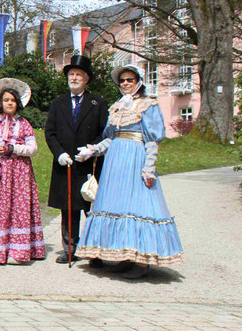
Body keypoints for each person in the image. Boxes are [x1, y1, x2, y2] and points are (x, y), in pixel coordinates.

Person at [74, 64, 184, 279]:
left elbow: (152, 140)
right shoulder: (117, 107)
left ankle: (141, 261)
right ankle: (125, 255)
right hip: (115, 162)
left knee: (137, 205)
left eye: (129, 80)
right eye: (122, 80)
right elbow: (110, 138)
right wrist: (93, 150)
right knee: (118, 206)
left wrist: (149, 168)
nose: (125, 83)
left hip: (135, 159)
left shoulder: (148, 105)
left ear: (138, 82)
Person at [44, 55, 109, 265]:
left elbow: (105, 132)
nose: (74, 78)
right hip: (66, 164)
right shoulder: (58, 102)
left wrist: (92, 150)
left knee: (91, 208)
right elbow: (50, 132)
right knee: (68, 208)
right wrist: (59, 153)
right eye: (71, 74)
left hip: (89, 163)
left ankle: (94, 249)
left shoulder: (97, 102)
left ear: (86, 79)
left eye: (78, 75)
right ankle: (70, 248)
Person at [0, 78, 46, 265]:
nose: (9, 103)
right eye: (6, 99)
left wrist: (15, 149)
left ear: (18, 103)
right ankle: (0, 250)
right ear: (0, 102)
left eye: (13, 100)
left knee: (19, 209)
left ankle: (18, 251)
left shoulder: (24, 124)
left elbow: (33, 148)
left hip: (19, 172)